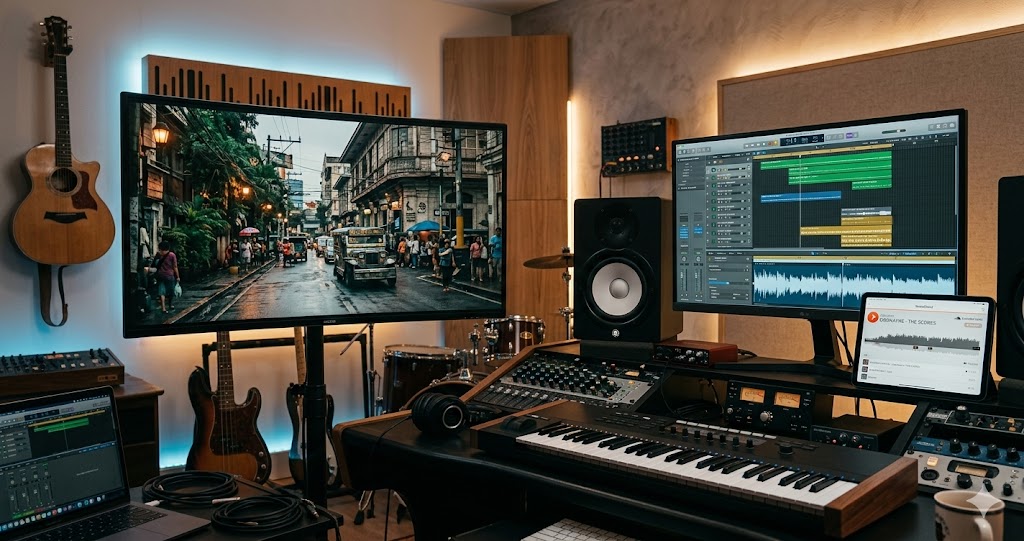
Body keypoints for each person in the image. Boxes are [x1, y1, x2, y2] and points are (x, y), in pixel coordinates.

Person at [151, 241, 179, 314]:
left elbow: (154, 265)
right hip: (169, 276)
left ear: (160, 248)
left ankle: (163, 308)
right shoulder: (172, 255)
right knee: (170, 291)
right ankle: (170, 304)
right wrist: (178, 276)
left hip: (160, 276)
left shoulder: (158, 255)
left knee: (162, 291)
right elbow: (175, 266)